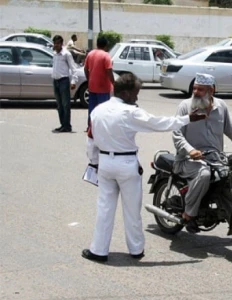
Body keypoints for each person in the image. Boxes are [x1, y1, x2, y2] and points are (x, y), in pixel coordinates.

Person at [82, 73, 207, 262]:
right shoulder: (130, 112)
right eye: (135, 93)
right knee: (132, 210)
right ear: (125, 93)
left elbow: (90, 140)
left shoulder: (97, 110)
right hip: (126, 164)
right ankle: (136, 249)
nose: (137, 97)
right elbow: (159, 123)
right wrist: (188, 119)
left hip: (105, 163)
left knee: (104, 209)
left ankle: (98, 251)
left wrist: (94, 163)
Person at [172, 73, 232, 233]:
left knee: (230, 177)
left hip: (216, 159)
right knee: (204, 173)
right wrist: (191, 150)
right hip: (187, 160)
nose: (196, 92)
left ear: (212, 90)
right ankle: (189, 213)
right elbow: (177, 134)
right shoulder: (185, 106)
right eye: (194, 88)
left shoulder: (221, 107)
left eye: (200, 89)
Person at [84, 36, 115, 129]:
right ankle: (101, 127)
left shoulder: (90, 54)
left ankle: (90, 126)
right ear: (106, 46)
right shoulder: (106, 56)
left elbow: (85, 69)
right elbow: (109, 71)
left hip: (92, 86)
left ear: (97, 44)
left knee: (92, 108)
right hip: (103, 87)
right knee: (103, 109)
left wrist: (89, 79)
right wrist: (114, 83)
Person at [51, 35, 78, 133]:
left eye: (58, 43)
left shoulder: (66, 54)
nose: (56, 45)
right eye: (55, 43)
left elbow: (73, 68)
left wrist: (73, 81)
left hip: (64, 81)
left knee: (65, 104)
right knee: (59, 105)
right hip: (55, 81)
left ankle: (67, 126)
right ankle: (62, 124)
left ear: (62, 44)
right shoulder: (54, 54)